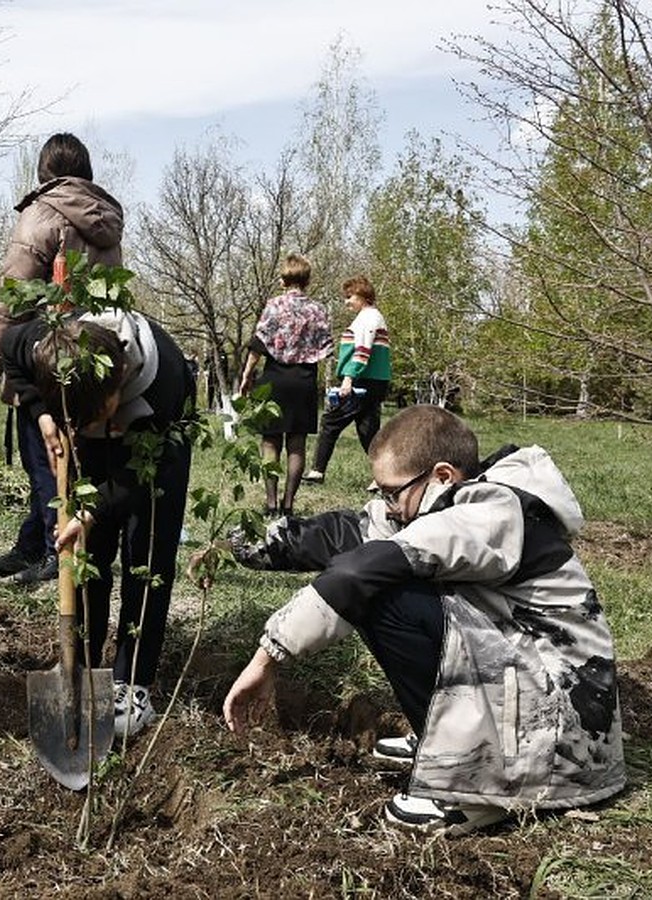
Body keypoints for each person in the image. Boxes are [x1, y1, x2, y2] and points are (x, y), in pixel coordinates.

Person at [218, 405, 624, 835]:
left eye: (392, 492)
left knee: (383, 593)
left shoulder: (490, 513)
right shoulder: (449, 504)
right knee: (384, 576)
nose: (387, 506)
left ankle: (474, 785)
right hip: (533, 701)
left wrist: (267, 659)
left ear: (442, 476)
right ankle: (447, 735)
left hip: (563, 747)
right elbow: (350, 533)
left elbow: (360, 571)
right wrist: (240, 542)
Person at [2, 310, 195, 739]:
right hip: (99, 433)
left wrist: (91, 511)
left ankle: (133, 682)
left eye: (94, 418)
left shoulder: (162, 381)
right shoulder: (41, 345)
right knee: (90, 556)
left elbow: (133, 479)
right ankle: (83, 665)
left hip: (156, 448)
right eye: (78, 421)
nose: (85, 429)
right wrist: (43, 414)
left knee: (147, 557)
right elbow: (5, 346)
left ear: (118, 379)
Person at [0, 133, 124, 585]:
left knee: (43, 454)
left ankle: (50, 549)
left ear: (45, 171)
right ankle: (32, 540)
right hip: (91, 353)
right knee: (71, 453)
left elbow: (14, 297)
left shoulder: (40, 215)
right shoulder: (106, 218)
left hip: (45, 351)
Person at [236, 254, 331, 517]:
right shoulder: (318, 310)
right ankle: (289, 504)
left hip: (275, 377)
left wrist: (246, 375)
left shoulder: (274, 305)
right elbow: (326, 348)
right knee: (297, 445)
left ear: (283, 280)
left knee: (270, 442)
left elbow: (258, 343)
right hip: (304, 380)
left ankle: (270, 503)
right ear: (307, 280)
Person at [303, 275, 390, 484]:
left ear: (362, 296)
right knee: (367, 430)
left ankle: (317, 472)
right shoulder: (372, 316)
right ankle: (384, 477)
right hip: (374, 380)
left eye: (349, 296)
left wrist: (348, 379)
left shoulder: (368, 318)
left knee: (330, 422)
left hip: (362, 381)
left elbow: (363, 350)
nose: (346, 301)